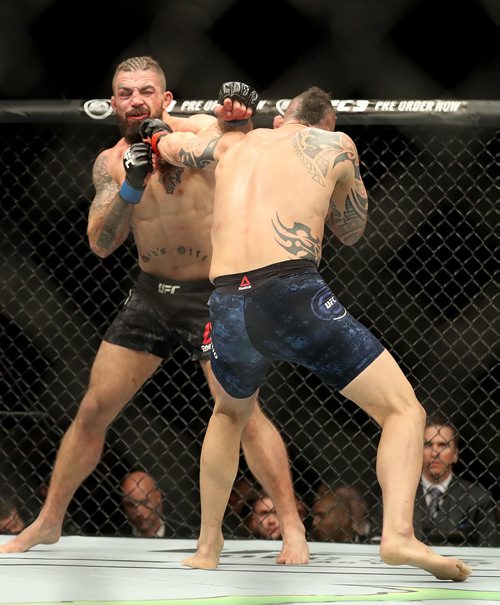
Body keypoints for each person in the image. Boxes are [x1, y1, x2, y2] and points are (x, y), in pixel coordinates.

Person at [142, 85, 472, 581]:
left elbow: (168, 143)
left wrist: (158, 126)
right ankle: (399, 536)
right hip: (291, 292)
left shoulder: (234, 142)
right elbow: (351, 230)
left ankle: (208, 545)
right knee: (403, 410)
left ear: (280, 121)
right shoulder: (336, 146)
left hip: (227, 300)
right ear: (326, 126)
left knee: (229, 414)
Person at [0, 56, 308, 565]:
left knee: (243, 414)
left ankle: (293, 527)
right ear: (113, 103)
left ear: (166, 99)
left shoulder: (201, 130)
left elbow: (241, 150)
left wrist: (239, 118)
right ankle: (50, 520)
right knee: (94, 409)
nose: (136, 99)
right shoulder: (111, 160)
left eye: (147, 90)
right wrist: (130, 185)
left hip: (215, 291)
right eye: (125, 92)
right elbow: (101, 242)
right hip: (150, 293)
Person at [414, 414, 498, 547]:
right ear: (419, 451)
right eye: (428, 444)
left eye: (443, 445)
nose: (435, 453)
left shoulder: (479, 498)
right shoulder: (397, 494)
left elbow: (490, 549)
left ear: (455, 454)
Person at [120, 470, 165, 538]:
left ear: (157, 497)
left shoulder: (184, 537)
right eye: (130, 505)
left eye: (144, 503)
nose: (139, 512)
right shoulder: (116, 539)